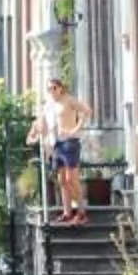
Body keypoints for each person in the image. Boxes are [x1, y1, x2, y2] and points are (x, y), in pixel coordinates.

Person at [39, 77, 94, 224]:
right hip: (57, 144)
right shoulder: (50, 104)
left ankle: (82, 211)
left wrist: (75, 128)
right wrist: (43, 141)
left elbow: (87, 110)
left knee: (71, 179)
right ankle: (67, 212)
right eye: (49, 89)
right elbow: (43, 124)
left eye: (54, 88)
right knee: (62, 180)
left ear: (61, 88)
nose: (52, 91)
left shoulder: (68, 100)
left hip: (70, 142)